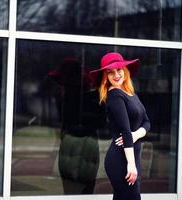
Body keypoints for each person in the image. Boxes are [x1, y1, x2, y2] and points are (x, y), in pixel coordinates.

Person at [90, 52, 151, 200]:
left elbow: (147, 122)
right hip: (121, 160)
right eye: (110, 72)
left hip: (132, 157)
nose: (116, 75)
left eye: (119, 70)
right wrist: (130, 164)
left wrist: (135, 134)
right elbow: (124, 130)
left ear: (125, 70)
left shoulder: (130, 94)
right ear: (106, 77)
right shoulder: (115, 95)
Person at [45, 57, 106, 194]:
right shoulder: (76, 98)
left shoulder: (79, 98)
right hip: (77, 144)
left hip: (82, 144)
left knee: (76, 190)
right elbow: (100, 122)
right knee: (80, 190)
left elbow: (99, 122)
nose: (61, 87)